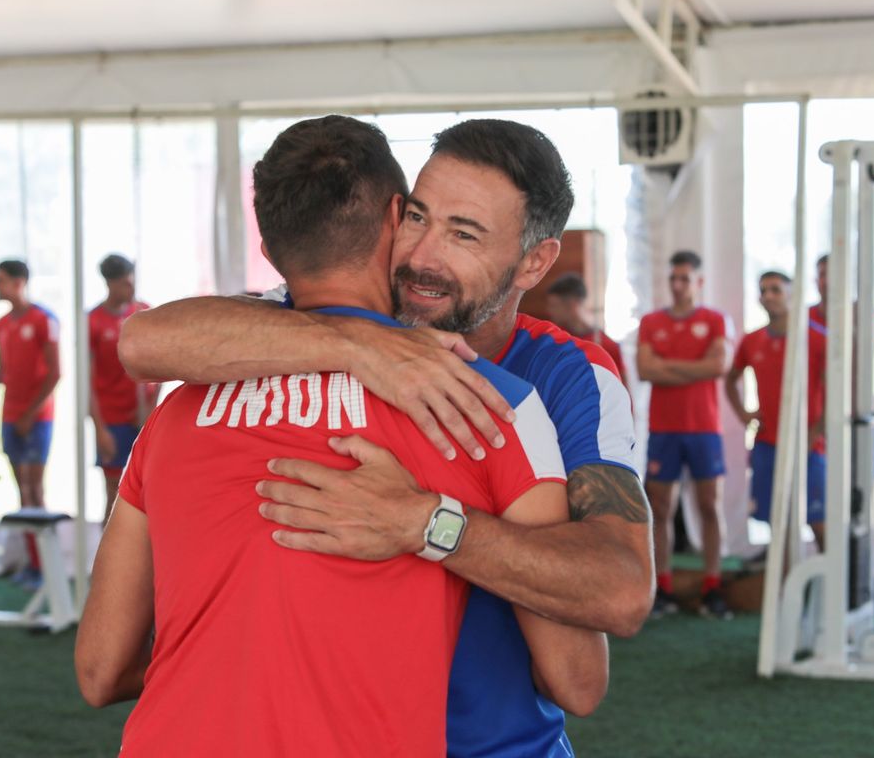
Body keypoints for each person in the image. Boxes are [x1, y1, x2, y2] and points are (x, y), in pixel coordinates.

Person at [75, 116, 608, 756]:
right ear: (394, 216)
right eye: (419, 217)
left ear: (270, 252)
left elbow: (100, 670)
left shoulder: (177, 408)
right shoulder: (490, 407)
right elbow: (577, 678)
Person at [636, 250, 733, 618]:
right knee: (660, 508)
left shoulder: (715, 320)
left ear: (699, 282)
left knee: (709, 506)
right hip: (665, 429)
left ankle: (713, 586)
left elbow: (719, 365)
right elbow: (646, 369)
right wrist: (695, 368)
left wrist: (668, 367)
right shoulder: (651, 322)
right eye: (672, 279)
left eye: (684, 279)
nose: (677, 286)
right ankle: (663, 588)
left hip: (704, 429)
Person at [0, 259, 60, 587]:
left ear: (19, 282)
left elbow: (55, 373)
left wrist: (31, 414)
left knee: (35, 491)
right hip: (10, 417)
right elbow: (3, 372)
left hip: (36, 420)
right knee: (22, 493)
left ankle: (49, 568)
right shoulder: (1, 324)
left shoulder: (45, 320)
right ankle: (33, 563)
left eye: (1, 280)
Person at [725, 271, 828, 548]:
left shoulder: (817, 339)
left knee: (820, 522)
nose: (768, 296)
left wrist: (812, 435)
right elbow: (730, 379)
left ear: (792, 295)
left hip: (810, 447)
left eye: (775, 290)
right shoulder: (753, 340)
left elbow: (834, 396)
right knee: (777, 522)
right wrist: (745, 415)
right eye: (763, 290)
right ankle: (782, 586)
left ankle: (833, 587)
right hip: (768, 444)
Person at [811, 253, 874, 475]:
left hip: (860, 414)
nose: (828, 280)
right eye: (822, 274)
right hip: (819, 422)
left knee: (862, 488)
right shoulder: (805, 318)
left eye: (834, 274)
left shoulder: (865, 314)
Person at [88, 254, 157, 522]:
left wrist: (150, 411)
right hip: (111, 420)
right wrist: (100, 428)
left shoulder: (144, 313)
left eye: (132, 282)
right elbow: (88, 382)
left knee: (147, 491)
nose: (130, 289)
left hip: (141, 419)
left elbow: (160, 368)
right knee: (115, 494)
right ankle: (108, 560)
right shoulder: (93, 321)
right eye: (125, 284)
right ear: (110, 284)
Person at [544, 271, 630, 388]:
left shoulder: (607, 345)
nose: (549, 311)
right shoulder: (552, 341)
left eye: (554, 306)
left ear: (572, 305)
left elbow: (623, 392)